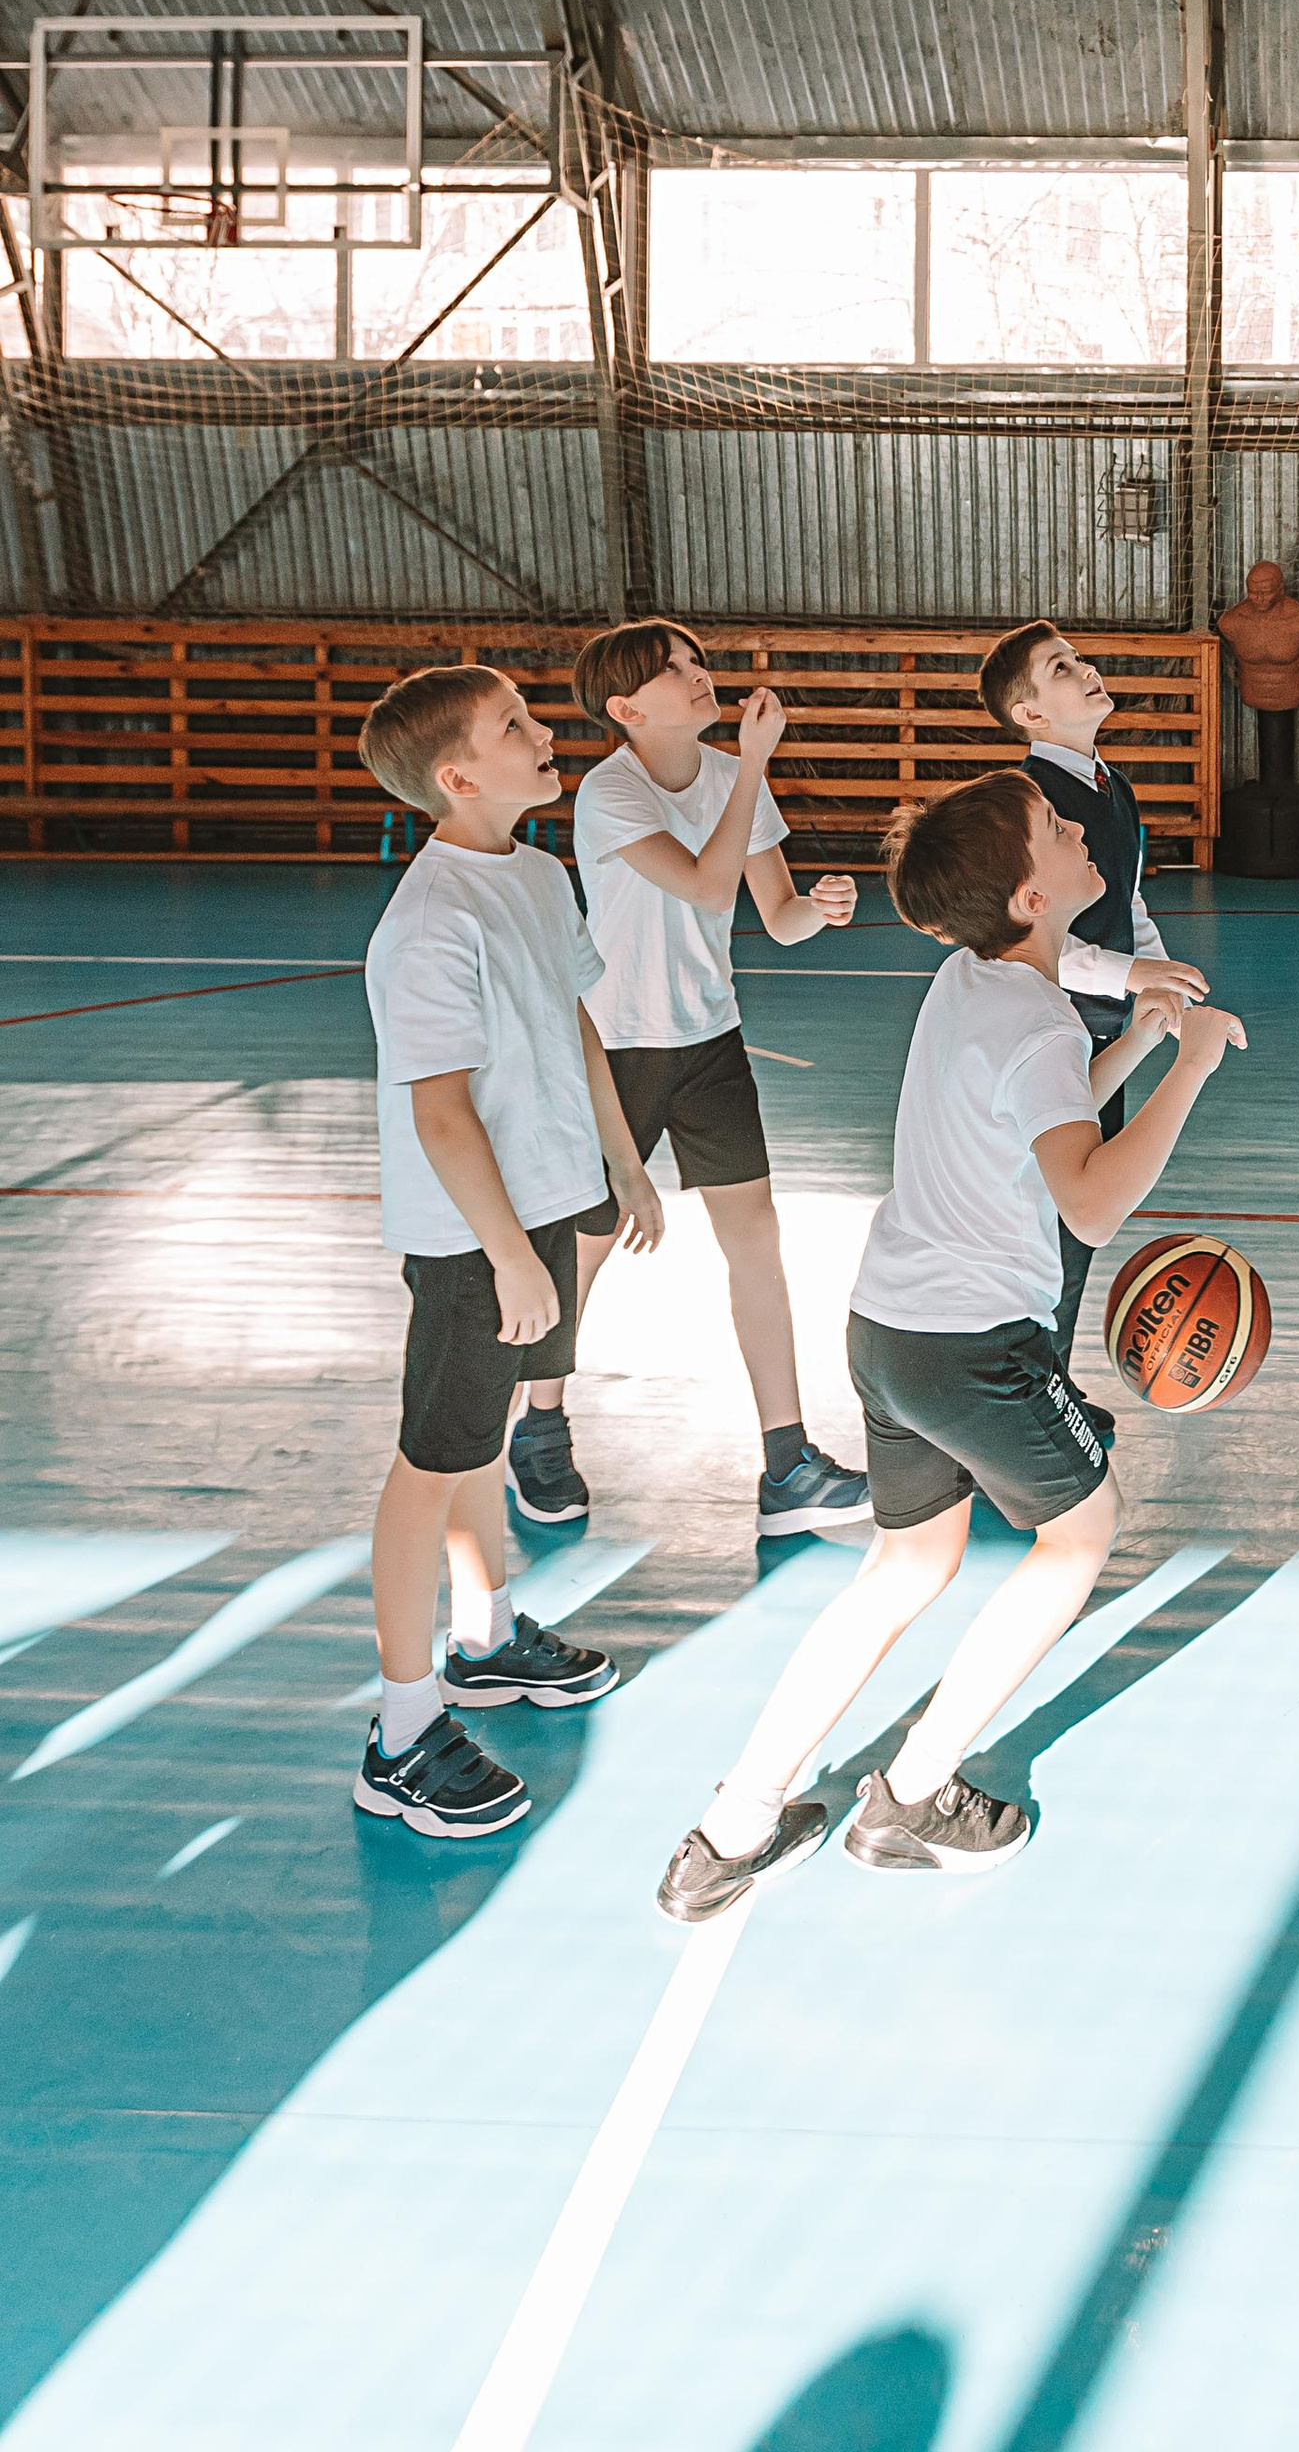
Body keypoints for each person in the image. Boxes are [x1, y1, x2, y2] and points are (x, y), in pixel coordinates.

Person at [656, 767, 1245, 1920]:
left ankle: (731, 1826)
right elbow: (1088, 1200)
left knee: (906, 1568)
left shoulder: (971, 978)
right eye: (1058, 829)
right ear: (1032, 895)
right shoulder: (1029, 1015)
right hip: (976, 1349)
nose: (1081, 832)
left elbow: (1036, 1110)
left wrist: (1137, 1045)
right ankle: (912, 1798)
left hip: (888, 1333)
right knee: (1081, 1538)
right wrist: (1192, 1069)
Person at [351, 665, 662, 1840]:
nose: (545, 738)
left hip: (542, 1206)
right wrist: (508, 1258)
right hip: (471, 1236)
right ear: (458, 776)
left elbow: (576, 1022)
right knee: (431, 1464)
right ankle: (398, 1730)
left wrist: (621, 1163)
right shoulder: (431, 920)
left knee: (479, 1445)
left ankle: (483, 1641)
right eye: (516, 727)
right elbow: (439, 1113)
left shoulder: (534, 874)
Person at [554, 617, 870, 1542]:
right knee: (585, 1248)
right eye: (675, 671)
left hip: (709, 1040)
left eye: (698, 662)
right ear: (626, 708)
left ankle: (787, 1463)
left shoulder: (735, 778)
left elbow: (773, 919)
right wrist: (755, 765)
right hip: (620, 1045)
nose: (700, 677)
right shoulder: (610, 793)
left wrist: (821, 908)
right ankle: (539, 1425)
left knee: (757, 1245)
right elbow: (701, 884)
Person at [977, 620, 1208, 1403]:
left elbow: (1127, 897)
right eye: (1061, 667)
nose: (1086, 670)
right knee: (1047, 1227)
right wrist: (1130, 971)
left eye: (1078, 659)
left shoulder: (1113, 785)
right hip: (1054, 1039)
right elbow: (1038, 938)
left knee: (1076, 1233)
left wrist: (1155, 975)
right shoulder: (1030, 803)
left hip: (1105, 1031)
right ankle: (1024, 1390)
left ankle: (1054, 1383)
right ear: (1030, 715)